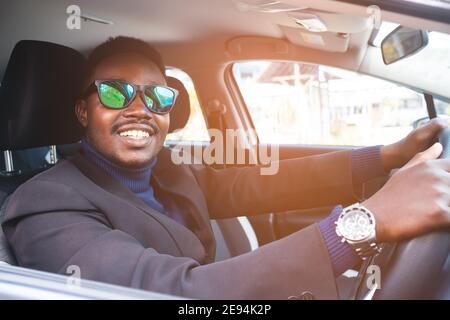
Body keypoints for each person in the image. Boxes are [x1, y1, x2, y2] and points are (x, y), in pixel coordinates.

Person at [3, 36, 450, 299]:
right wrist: (364, 224)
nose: (140, 109)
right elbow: (175, 294)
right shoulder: (46, 204)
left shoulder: (172, 168)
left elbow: (265, 182)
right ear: (83, 112)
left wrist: (387, 155)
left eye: (159, 97)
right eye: (116, 93)